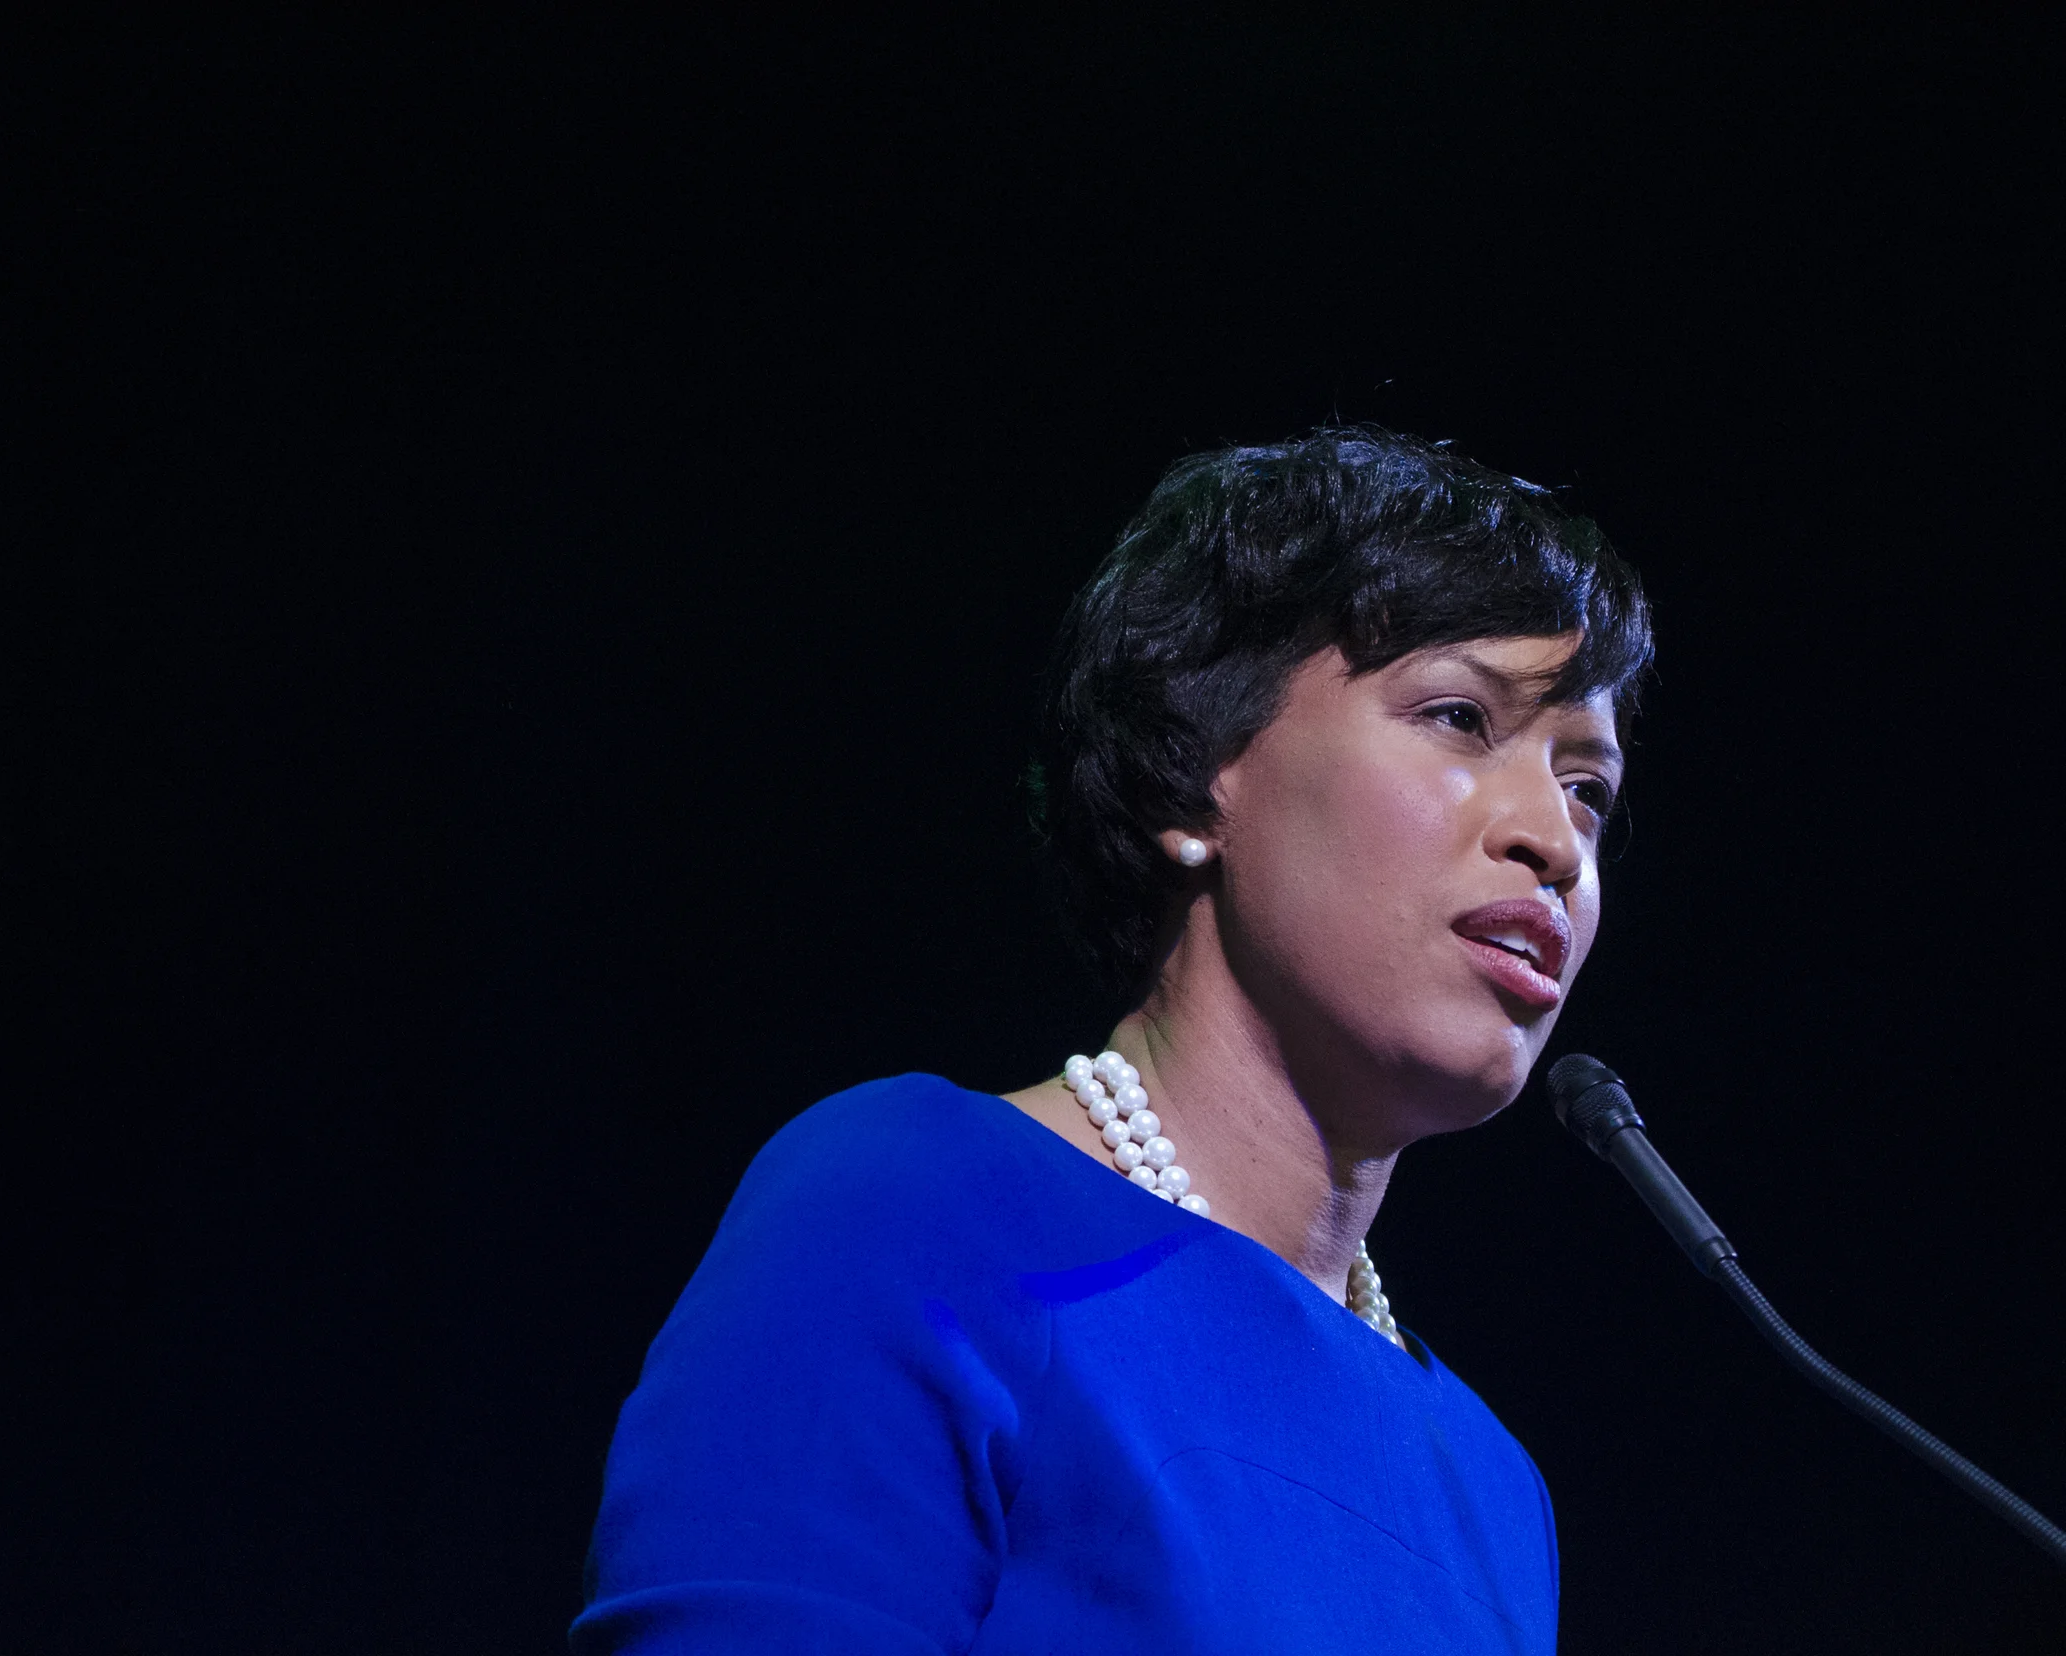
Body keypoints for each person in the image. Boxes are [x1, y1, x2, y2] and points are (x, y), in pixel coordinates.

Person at [571, 428, 1652, 1654]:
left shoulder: (1493, 1490)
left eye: (1587, 787)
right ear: (1189, 780)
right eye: (1459, 716)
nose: (1554, 842)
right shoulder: (914, 1209)